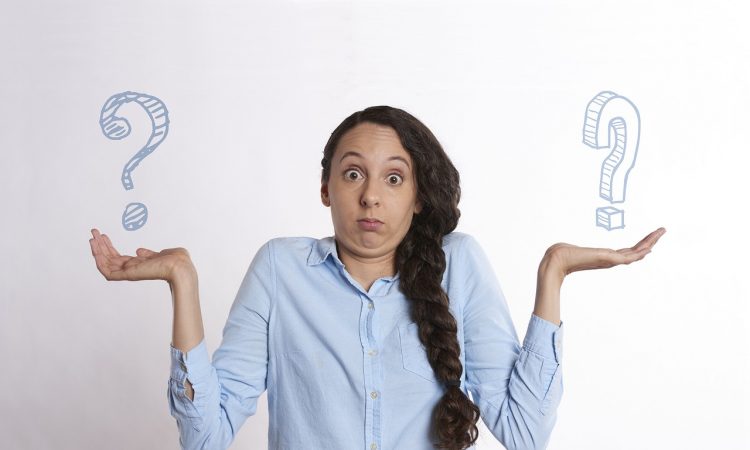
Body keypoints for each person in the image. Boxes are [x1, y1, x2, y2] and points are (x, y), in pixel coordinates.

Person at [89, 105, 666, 450]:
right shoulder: (280, 270)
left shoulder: (458, 263)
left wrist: (553, 275)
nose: (370, 195)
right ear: (325, 189)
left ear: (418, 197)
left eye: (394, 178)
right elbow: (205, 436)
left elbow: (524, 431)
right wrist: (182, 284)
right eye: (353, 174)